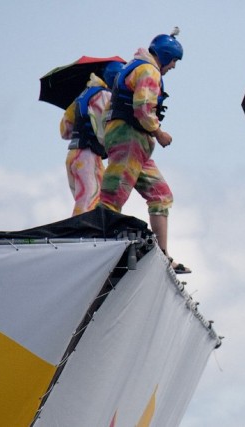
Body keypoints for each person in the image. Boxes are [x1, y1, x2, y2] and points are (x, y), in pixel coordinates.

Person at [99, 28, 191, 274]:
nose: (173, 67)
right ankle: (98, 243)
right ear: (165, 56)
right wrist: (159, 132)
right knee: (113, 194)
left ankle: (162, 255)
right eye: (173, 61)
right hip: (129, 136)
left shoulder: (135, 67)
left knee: (161, 195)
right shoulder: (148, 70)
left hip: (136, 142)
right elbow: (142, 108)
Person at [60, 61, 124, 216]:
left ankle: (80, 232)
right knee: (91, 199)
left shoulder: (82, 96)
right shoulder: (104, 95)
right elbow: (104, 131)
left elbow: (65, 130)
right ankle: (83, 235)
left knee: (82, 199)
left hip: (73, 155)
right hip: (89, 155)